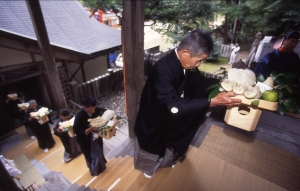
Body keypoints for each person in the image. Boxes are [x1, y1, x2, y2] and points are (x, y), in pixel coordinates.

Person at [134, 29, 242, 178]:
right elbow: (169, 104)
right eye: (199, 60)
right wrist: (211, 102)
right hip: (154, 118)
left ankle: (166, 162)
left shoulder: (186, 65)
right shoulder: (161, 70)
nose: (199, 64)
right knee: (152, 149)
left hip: (170, 118)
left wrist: (221, 83)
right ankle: (147, 170)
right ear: (185, 53)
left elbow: (199, 82)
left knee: (171, 144)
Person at [73, 96, 107, 176]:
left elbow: (107, 113)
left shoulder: (97, 109)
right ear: (83, 107)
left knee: (99, 150)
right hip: (85, 140)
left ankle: (102, 165)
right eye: (91, 109)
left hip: (97, 136)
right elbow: (77, 132)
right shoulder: (79, 115)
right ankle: (94, 170)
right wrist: (90, 129)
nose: (93, 110)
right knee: (90, 156)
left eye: (94, 108)